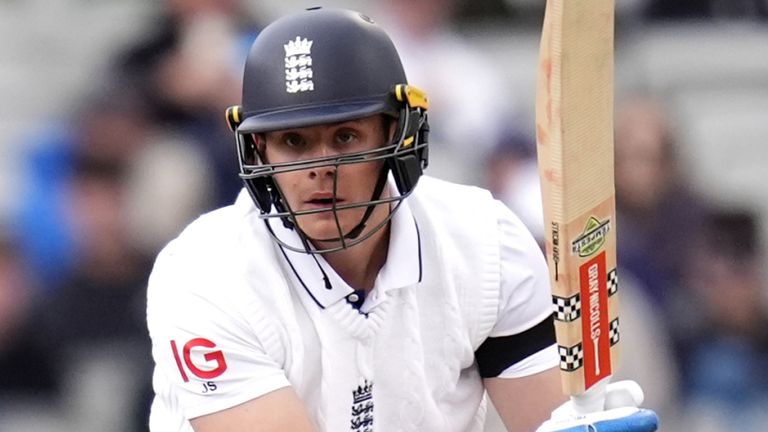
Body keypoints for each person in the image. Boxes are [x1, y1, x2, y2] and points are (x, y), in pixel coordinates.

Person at [146, 8, 656, 432]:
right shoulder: (205, 277)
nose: (319, 169)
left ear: (398, 134)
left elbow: (540, 417)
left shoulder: (483, 243)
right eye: (294, 142)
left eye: (345, 137)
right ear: (258, 149)